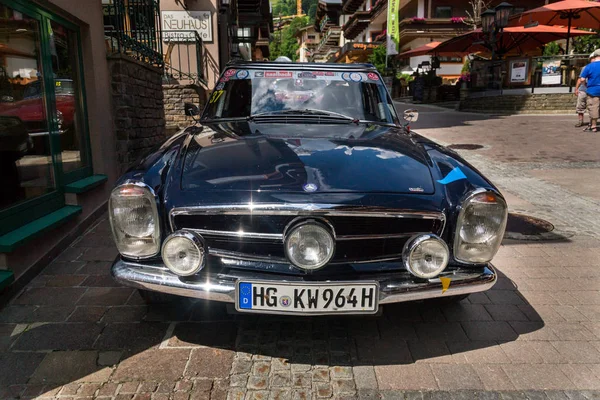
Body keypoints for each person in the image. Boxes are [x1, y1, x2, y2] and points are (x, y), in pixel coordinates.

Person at [580, 49, 600, 132]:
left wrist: (585, 85)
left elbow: (582, 79)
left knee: (593, 107)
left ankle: (593, 126)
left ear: (594, 56)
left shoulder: (589, 66)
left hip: (593, 90)